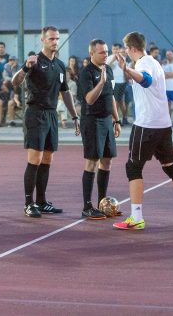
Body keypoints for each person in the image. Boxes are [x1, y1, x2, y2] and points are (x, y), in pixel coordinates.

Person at [112, 31, 173, 230]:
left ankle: (136, 217)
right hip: (163, 124)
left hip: (147, 125)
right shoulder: (154, 62)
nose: (125, 51)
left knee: (133, 167)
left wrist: (126, 69)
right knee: (171, 166)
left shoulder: (143, 64)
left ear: (132, 48)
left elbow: (146, 80)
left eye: (126, 48)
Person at [12, 26, 80, 218]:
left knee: (48, 159)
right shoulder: (34, 60)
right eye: (51, 39)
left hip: (51, 115)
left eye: (57, 39)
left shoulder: (59, 65)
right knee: (35, 159)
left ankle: (41, 202)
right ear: (42, 39)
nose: (55, 42)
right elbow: (15, 82)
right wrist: (26, 67)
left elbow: (65, 92)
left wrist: (75, 116)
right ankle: (28, 203)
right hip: (35, 113)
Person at [77, 39, 121, 220]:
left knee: (107, 161)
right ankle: (87, 207)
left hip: (107, 121)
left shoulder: (108, 70)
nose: (105, 55)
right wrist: (101, 82)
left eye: (106, 52)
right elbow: (89, 99)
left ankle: (103, 204)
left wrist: (117, 120)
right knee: (92, 162)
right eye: (101, 52)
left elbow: (111, 96)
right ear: (92, 54)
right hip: (92, 121)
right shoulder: (86, 73)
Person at [107, 44, 128, 125]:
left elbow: (125, 69)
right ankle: (124, 118)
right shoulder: (109, 57)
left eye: (117, 49)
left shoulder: (123, 58)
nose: (115, 51)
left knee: (116, 101)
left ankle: (115, 120)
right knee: (120, 101)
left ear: (119, 50)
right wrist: (113, 60)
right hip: (112, 82)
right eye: (114, 49)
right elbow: (106, 67)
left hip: (121, 82)